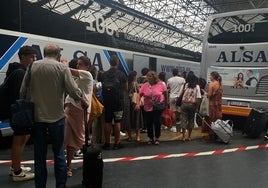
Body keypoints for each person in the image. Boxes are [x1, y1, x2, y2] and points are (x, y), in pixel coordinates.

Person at [20, 44, 88, 188]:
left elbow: (23, 90)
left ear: (44, 53)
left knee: (39, 155)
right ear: (57, 55)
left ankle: (40, 186)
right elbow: (73, 90)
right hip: (57, 117)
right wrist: (82, 98)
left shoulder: (33, 66)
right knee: (58, 153)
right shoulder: (62, 68)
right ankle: (60, 185)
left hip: (37, 117)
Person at [5, 46, 36, 181]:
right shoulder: (20, 73)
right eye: (31, 57)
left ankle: (15, 166)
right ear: (23, 56)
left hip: (17, 110)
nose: (34, 59)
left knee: (24, 137)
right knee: (19, 139)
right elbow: (20, 95)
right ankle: (17, 172)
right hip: (19, 111)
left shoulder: (18, 70)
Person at [64, 56, 93, 177]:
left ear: (87, 66)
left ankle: (90, 163)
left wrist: (64, 63)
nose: (78, 66)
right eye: (78, 64)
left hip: (80, 110)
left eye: (80, 64)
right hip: (71, 108)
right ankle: (68, 166)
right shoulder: (78, 77)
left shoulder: (87, 74)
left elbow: (67, 70)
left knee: (81, 139)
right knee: (70, 140)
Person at [101, 55, 127, 150]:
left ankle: (107, 143)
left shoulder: (104, 74)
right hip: (118, 102)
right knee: (117, 121)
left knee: (107, 121)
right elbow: (126, 88)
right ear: (118, 63)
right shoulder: (121, 74)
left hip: (107, 101)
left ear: (110, 62)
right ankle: (117, 143)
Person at [139, 71, 167, 145]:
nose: (148, 78)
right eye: (148, 77)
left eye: (150, 77)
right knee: (149, 122)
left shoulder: (161, 84)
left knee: (157, 122)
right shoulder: (145, 85)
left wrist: (165, 103)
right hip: (148, 106)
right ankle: (150, 138)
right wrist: (138, 103)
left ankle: (157, 137)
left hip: (158, 106)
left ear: (154, 77)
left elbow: (165, 93)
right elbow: (140, 94)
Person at [180, 71, 201, 141]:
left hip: (184, 104)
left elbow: (182, 93)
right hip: (192, 105)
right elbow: (198, 98)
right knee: (191, 120)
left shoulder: (186, 85)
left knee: (184, 119)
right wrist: (197, 108)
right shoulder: (197, 87)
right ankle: (189, 136)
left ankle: (183, 136)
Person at [122, 71, 142, 142]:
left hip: (127, 103)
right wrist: (138, 103)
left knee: (128, 120)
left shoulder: (125, 83)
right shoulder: (134, 83)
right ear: (134, 76)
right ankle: (138, 136)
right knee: (137, 119)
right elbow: (138, 93)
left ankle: (130, 136)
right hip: (134, 103)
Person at [204, 71, 223, 138]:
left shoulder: (212, 84)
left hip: (212, 104)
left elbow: (209, 95)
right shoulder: (220, 84)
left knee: (212, 119)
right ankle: (217, 132)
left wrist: (205, 93)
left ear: (213, 76)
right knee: (218, 118)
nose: (210, 77)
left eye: (210, 76)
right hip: (219, 104)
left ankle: (212, 133)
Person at [167, 68, 185, 133]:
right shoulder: (182, 79)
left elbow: (168, 87)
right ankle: (180, 128)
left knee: (173, 112)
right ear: (178, 73)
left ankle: (174, 127)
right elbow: (184, 87)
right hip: (180, 98)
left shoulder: (169, 80)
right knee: (180, 112)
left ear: (172, 73)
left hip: (172, 97)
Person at [137, 67, 149, 133]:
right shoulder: (148, 80)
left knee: (140, 114)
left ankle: (141, 127)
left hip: (139, 98)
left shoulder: (138, 79)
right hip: (146, 98)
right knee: (146, 114)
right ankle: (146, 127)